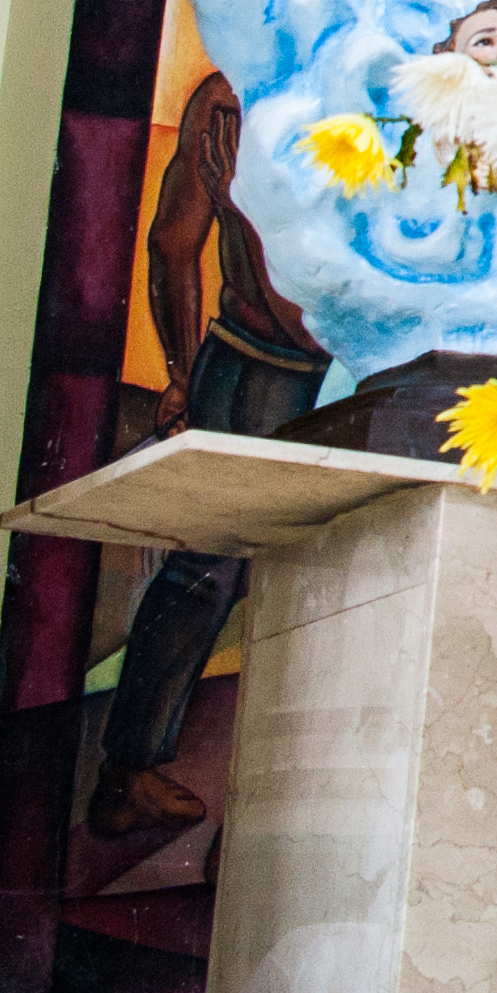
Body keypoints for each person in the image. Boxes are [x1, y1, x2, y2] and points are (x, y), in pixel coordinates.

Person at [88, 75, 332, 838]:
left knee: (257, 573)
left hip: (296, 367)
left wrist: (181, 370)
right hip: (263, 366)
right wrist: (181, 373)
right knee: (208, 570)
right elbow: (176, 241)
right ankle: (131, 774)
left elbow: (176, 240)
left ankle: (254, 795)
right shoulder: (231, 98)